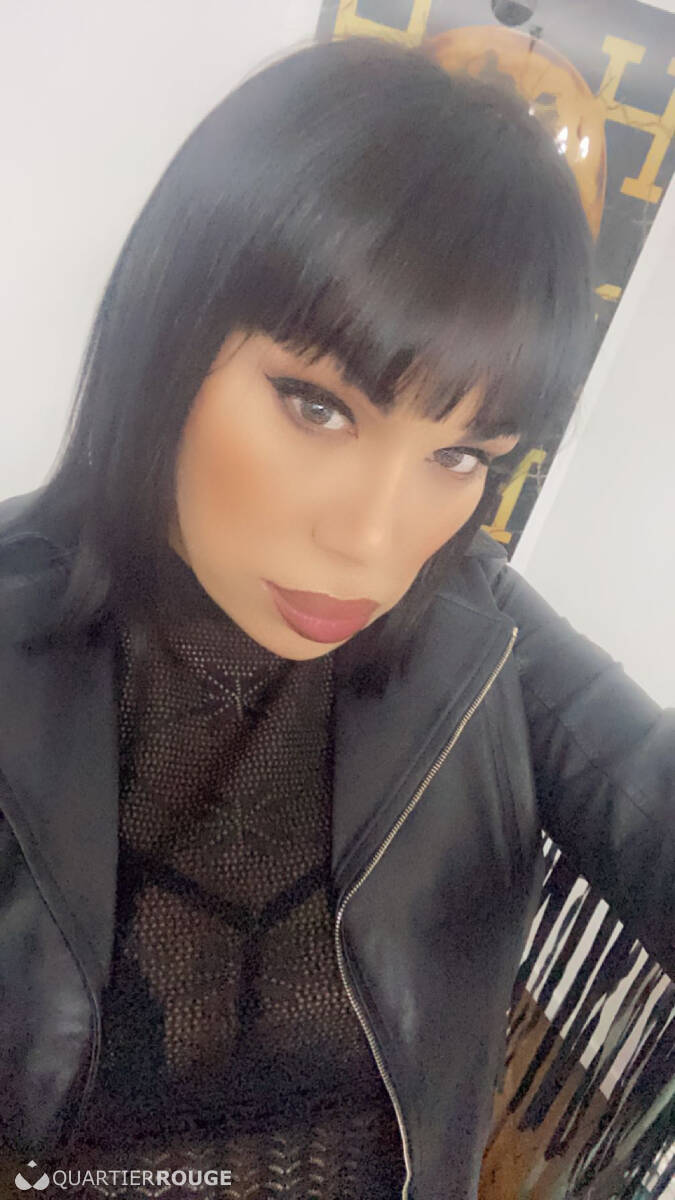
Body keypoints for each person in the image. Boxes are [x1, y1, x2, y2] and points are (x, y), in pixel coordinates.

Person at [0, 33, 672, 1200]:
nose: (375, 542)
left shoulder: (486, 643)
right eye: (317, 406)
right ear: (170, 328)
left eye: (460, 454)